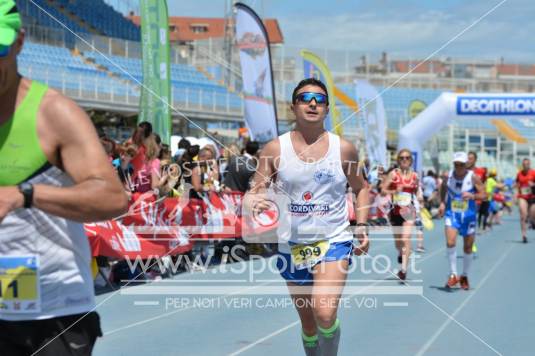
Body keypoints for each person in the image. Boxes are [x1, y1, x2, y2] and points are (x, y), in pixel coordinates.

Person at [0, 4, 128, 354]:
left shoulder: (53, 112)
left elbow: (113, 198)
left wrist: (25, 195)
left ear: (19, 43)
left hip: (51, 312)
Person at [246, 78, 369, 356]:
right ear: (293, 106)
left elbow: (361, 189)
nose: (313, 103)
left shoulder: (344, 149)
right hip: (293, 245)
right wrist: (255, 200)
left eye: (319, 99)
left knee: (324, 312)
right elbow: (256, 187)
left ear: (326, 109)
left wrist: (361, 226)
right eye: (305, 97)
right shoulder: (275, 149)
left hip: (334, 240)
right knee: (310, 324)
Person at [438, 152, 485, 290]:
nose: (458, 167)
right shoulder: (449, 175)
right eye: (456, 164)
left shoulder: (473, 177)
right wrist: (442, 202)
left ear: (466, 165)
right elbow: (443, 187)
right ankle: (453, 274)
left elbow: (485, 195)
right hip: (452, 214)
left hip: (468, 215)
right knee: (450, 241)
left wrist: (473, 195)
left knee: (468, 247)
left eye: (461, 165)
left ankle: (464, 275)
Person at [381, 149, 419, 281]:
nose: (404, 160)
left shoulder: (415, 176)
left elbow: (417, 191)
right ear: (398, 160)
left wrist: (422, 200)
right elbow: (382, 190)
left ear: (411, 160)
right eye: (402, 158)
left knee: (405, 238)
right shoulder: (393, 174)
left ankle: (403, 269)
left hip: (409, 211)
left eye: (407, 158)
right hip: (395, 212)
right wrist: (394, 190)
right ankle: (400, 252)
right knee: (398, 243)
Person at [515, 158, 535, 243]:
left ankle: (532, 221)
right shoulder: (519, 174)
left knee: (533, 214)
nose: (525, 166)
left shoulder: (533, 173)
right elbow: (517, 183)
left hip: (533, 197)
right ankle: (524, 235)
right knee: (523, 215)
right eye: (523, 164)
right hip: (522, 196)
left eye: (527, 164)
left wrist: (533, 184)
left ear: (529, 164)